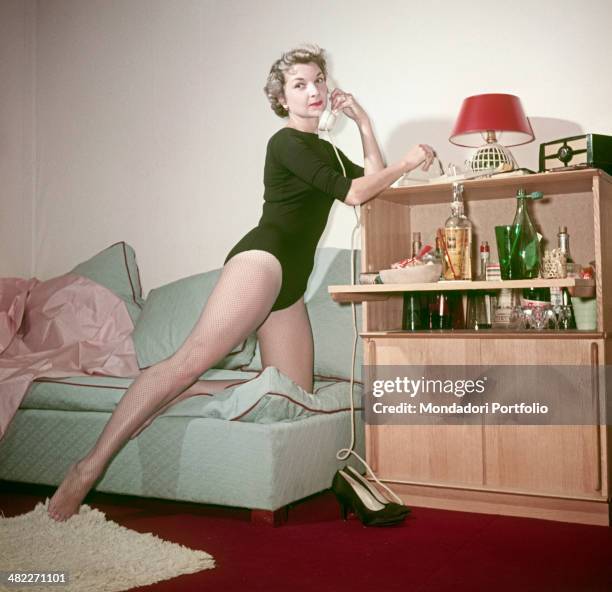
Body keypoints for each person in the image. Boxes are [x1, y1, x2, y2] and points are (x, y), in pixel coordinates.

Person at [47, 44, 435, 521]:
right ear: (282, 99)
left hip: (290, 284)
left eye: (318, 80)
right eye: (300, 84)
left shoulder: (328, 150)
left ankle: (181, 393)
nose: (313, 90)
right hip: (263, 261)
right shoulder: (286, 142)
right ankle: (86, 469)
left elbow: (371, 191)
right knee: (187, 360)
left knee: (289, 389)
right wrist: (411, 160)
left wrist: (364, 123)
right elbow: (359, 190)